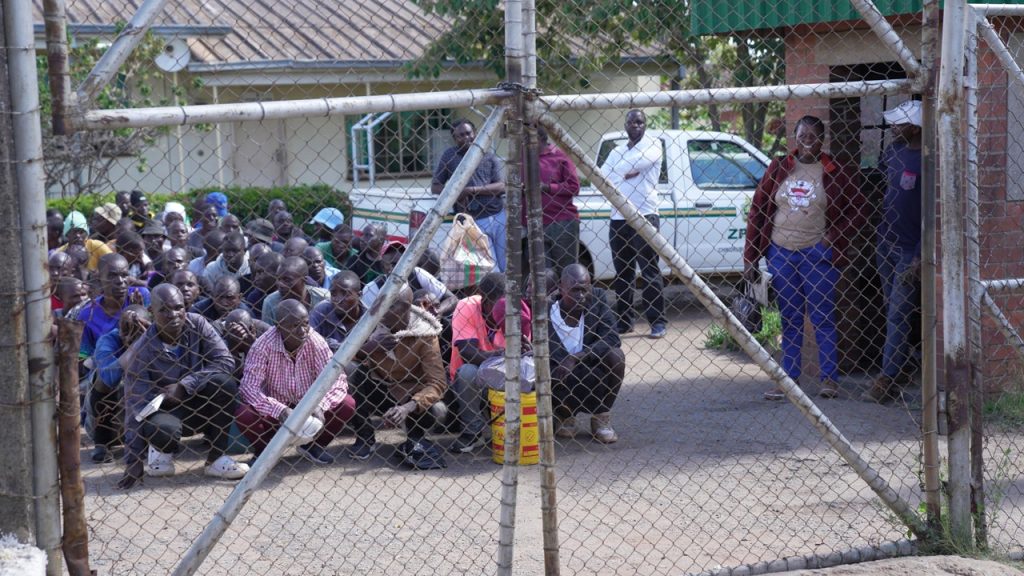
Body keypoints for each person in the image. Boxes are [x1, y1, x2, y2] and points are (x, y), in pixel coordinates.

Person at [743, 115, 864, 401]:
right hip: (780, 254)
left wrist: (833, 237)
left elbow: (858, 208)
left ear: (822, 139)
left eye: (813, 135)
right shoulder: (779, 168)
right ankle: (789, 380)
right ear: (794, 138)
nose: (807, 140)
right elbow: (758, 210)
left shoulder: (833, 171)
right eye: (802, 135)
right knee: (790, 318)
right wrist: (751, 256)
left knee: (822, 318)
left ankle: (829, 380)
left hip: (817, 256)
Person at [118, 284, 248, 488]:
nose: (173, 315)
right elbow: (134, 406)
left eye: (178, 307)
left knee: (224, 383)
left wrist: (185, 384)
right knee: (164, 431)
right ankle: (160, 451)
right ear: (151, 312)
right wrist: (132, 461)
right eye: (164, 310)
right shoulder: (141, 351)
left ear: (186, 307)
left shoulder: (198, 324)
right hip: (164, 411)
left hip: (198, 401)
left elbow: (225, 361)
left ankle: (216, 459)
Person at [237, 299, 355, 464]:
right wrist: (280, 410)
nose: (302, 330)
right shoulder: (262, 345)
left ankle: (314, 446)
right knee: (245, 413)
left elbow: (338, 380)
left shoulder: (316, 341)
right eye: (294, 326)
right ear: (279, 327)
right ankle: (265, 452)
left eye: (305, 323)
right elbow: (249, 388)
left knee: (347, 403)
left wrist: (320, 405)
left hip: (310, 407)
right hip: (276, 409)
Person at [347, 285, 449, 470]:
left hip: (410, 396)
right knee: (352, 370)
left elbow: (438, 382)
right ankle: (365, 436)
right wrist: (371, 346)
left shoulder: (425, 333)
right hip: (380, 387)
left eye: (392, 305)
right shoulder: (370, 322)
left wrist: (408, 407)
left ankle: (414, 440)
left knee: (438, 410)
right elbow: (343, 355)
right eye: (382, 302)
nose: (384, 309)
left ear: (407, 306)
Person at [864, 100, 924, 404]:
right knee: (892, 309)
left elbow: (932, 214)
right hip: (885, 242)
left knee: (898, 313)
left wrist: (918, 254)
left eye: (899, 123)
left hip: (907, 250)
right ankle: (902, 364)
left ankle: (887, 379)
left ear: (914, 127)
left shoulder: (928, 159)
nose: (892, 127)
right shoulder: (893, 153)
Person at [603, 109, 667, 339]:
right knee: (623, 273)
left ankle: (657, 322)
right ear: (626, 125)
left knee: (649, 271)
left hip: (645, 215)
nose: (636, 126)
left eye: (640, 122)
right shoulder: (617, 151)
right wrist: (626, 173)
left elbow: (637, 163)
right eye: (632, 122)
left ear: (645, 124)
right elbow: (603, 175)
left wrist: (619, 173)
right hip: (618, 217)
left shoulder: (653, 145)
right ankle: (624, 322)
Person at [548, 264, 624, 443]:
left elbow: (612, 337)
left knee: (616, 356)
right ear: (561, 287)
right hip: (559, 372)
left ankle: (601, 417)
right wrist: (563, 361)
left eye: (585, 289)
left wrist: (576, 357)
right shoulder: (547, 308)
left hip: (589, 367)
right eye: (575, 290)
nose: (581, 296)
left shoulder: (596, 299)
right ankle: (565, 415)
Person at [432, 118, 507, 272]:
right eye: (461, 135)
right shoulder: (450, 156)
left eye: (468, 133)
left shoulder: (488, 156)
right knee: (492, 268)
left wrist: (471, 190)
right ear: (455, 138)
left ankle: (509, 296)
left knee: (506, 265)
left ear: (475, 133)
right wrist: (456, 193)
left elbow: (501, 186)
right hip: (474, 221)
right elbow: (436, 186)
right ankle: (500, 295)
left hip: (498, 215)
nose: (466, 138)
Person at [448, 272, 508, 452]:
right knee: (468, 371)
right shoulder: (466, 307)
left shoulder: (515, 310)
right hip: (475, 384)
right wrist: (505, 354)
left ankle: (510, 427)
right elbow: (468, 353)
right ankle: (473, 431)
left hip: (506, 377)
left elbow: (524, 351)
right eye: (498, 305)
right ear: (484, 299)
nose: (504, 310)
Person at [88, 305, 151, 463]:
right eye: (127, 327)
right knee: (101, 379)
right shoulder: (109, 339)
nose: (132, 332)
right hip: (110, 422)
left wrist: (147, 338)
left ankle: (149, 441)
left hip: (144, 412)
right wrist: (134, 347)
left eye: (137, 327)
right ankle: (102, 444)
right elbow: (109, 378)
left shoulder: (155, 337)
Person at [75, 254, 151, 358]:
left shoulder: (141, 295)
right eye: (112, 275)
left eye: (124, 275)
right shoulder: (88, 315)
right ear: (100, 278)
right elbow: (83, 358)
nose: (120, 281)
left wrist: (140, 311)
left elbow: (155, 332)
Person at [360, 241, 457, 318]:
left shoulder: (417, 273)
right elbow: (367, 323)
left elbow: (452, 299)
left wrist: (437, 312)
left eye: (402, 263)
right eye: (393, 264)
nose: (399, 268)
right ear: (383, 266)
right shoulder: (372, 288)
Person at [535, 124, 582, 277]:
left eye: (528, 139)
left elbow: (574, 187)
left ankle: (568, 300)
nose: (523, 143)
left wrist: (548, 188)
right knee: (543, 274)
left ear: (540, 139)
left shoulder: (560, 156)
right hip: (535, 223)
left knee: (567, 272)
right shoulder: (523, 159)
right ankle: (548, 301)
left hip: (561, 222)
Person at [261, 257, 330, 325]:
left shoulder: (323, 297)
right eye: (278, 279)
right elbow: (268, 334)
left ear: (304, 279)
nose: (280, 284)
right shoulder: (270, 302)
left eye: (287, 280)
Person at [311, 271, 363, 351]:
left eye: (346, 294)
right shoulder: (321, 311)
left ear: (359, 295)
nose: (338, 300)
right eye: (333, 294)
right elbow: (310, 342)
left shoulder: (370, 315)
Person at [246, 251, 283, 320]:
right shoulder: (254, 297)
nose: (256, 278)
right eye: (256, 273)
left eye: (261, 272)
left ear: (277, 273)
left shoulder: (293, 292)